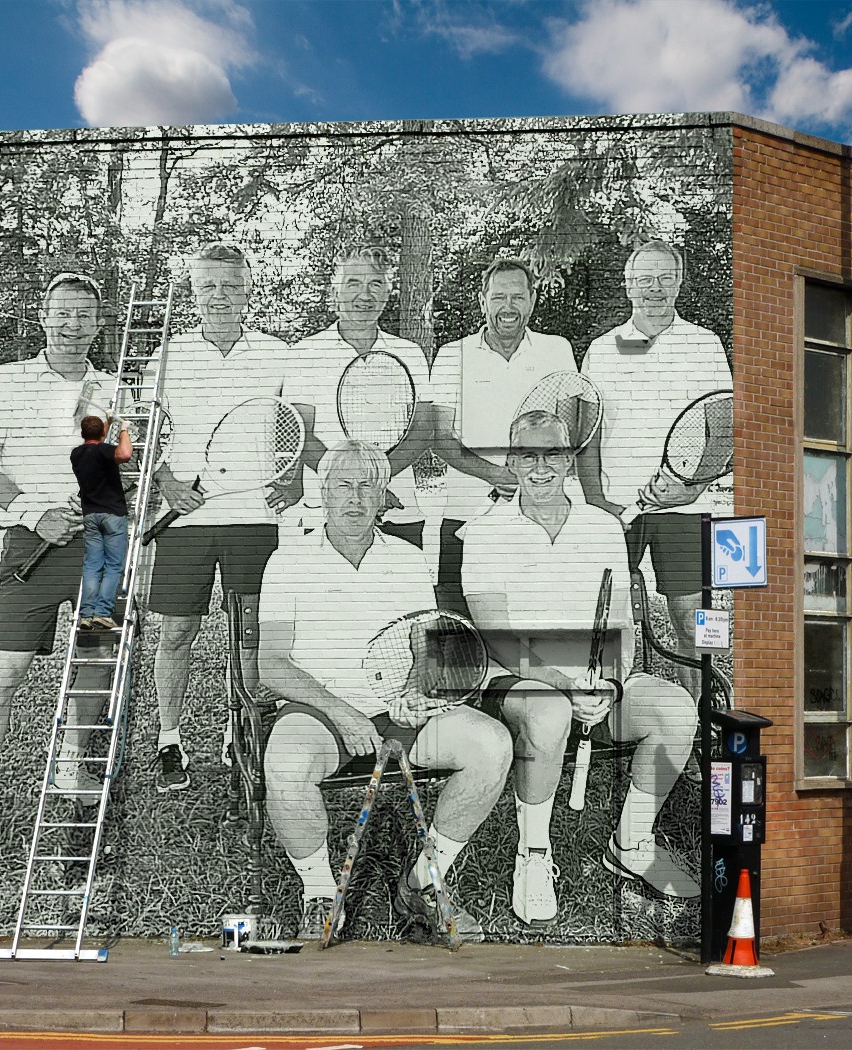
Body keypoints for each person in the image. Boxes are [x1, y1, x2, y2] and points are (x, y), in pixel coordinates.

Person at [259, 441, 512, 942]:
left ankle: (422, 881)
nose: (354, 499)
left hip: (399, 709)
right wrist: (342, 712)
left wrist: (418, 693)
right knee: (285, 766)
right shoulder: (288, 560)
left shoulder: (408, 557)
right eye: (343, 487)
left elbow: (426, 645)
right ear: (323, 494)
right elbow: (271, 663)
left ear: (383, 497)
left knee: (492, 745)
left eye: (366, 487)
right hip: (321, 714)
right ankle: (318, 894)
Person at [461, 411, 703, 927]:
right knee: (548, 716)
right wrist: (564, 685)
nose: (541, 466)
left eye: (553, 453)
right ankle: (533, 855)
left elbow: (622, 625)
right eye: (528, 454)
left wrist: (611, 683)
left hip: (595, 681)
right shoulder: (483, 532)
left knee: (676, 711)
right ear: (512, 461)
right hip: (518, 680)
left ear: (570, 460)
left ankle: (632, 841)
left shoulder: (602, 527)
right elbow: (498, 637)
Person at [148, 243, 295, 793]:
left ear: (248, 289)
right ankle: (169, 739)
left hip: (254, 517)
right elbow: (139, 435)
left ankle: (242, 732)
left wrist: (287, 477)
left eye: (230, 285)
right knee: (178, 631)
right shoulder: (166, 357)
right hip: (186, 518)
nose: (219, 295)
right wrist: (166, 483)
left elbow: (290, 427)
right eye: (208, 285)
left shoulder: (278, 354)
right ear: (193, 291)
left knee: (250, 632)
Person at [0, 271, 115, 820]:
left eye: (83, 314)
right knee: (6, 669)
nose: (72, 323)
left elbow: (120, 474)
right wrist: (34, 514)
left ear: (97, 324)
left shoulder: (113, 391)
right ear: (43, 316)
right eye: (62, 312)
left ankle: (69, 762)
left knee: (95, 655)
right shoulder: (4, 381)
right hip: (28, 543)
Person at [579, 240, 734, 701]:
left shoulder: (703, 343)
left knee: (698, 618)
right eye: (644, 278)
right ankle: (615, 719)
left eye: (666, 277)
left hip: (689, 507)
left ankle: (708, 716)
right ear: (628, 286)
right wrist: (595, 503)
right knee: (611, 618)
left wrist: (693, 488)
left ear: (680, 282)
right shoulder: (603, 349)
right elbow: (588, 435)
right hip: (619, 507)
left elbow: (723, 428)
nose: (655, 288)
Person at [427, 258, 577, 614]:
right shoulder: (452, 355)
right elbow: (441, 438)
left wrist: (528, 478)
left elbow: (565, 435)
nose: (507, 307)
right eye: (498, 297)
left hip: (542, 516)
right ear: (482, 301)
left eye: (517, 297)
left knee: (537, 623)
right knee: (458, 635)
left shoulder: (557, 350)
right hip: (465, 514)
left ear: (532, 299)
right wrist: (497, 475)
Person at [285, 246, 433, 547]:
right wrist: (360, 488)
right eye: (353, 284)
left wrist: (376, 485)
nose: (364, 296)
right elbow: (301, 436)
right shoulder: (304, 354)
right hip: (324, 512)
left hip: (399, 510)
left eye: (375, 284)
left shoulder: (410, 354)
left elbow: (422, 431)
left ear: (387, 292)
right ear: (335, 291)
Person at [70, 414, 133, 630]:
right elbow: (124, 454)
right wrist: (123, 428)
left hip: (90, 516)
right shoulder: (105, 452)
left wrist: (109, 422)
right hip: (112, 515)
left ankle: (86, 614)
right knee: (114, 566)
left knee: (92, 566)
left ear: (82, 434)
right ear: (103, 434)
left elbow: (97, 441)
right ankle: (102, 613)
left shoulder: (77, 454)